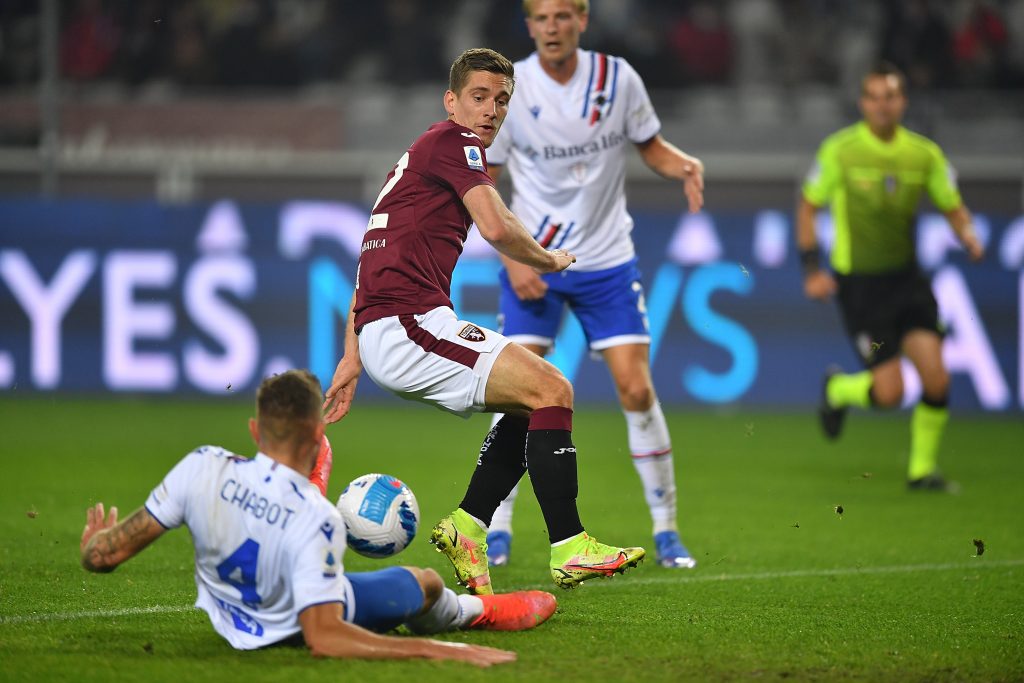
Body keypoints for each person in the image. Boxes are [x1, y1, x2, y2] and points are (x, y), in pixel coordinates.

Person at [323, 48, 645, 594]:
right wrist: (547, 260)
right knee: (552, 388)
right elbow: (496, 227)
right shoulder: (455, 142)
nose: (491, 110)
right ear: (451, 101)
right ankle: (570, 545)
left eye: (501, 100)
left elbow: (369, 255)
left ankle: (469, 527)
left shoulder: (423, 157)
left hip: (395, 328)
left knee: (532, 399)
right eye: (479, 97)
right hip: (411, 325)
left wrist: (353, 356)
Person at [79, 370, 556, 665]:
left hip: (232, 618)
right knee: (427, 582)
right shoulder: (318, 519)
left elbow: (105, 555)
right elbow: (324, 637)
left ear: (253, 429)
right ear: (316, 432)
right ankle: (480, 612)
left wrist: (93, 545)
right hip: (290, 624)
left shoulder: (200, 466)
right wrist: (440, 651)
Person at [480, 0, 706, 569]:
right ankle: (499, 528)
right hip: (536, 260)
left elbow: (649, 144)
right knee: (517, 394)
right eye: (540, 18)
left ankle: (667, 529)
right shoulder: (512, 88)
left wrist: (682, 164)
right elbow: (483, 180)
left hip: (606, 262)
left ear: (582, 20)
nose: (551, 28)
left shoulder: (618, 78)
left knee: (636, 389)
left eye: (562, 17)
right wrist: (512, 260)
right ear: (528, 26)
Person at [797, 62, 984, 491]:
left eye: (891, 97)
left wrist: (969, 236)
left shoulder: (923, 154)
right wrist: (811, 268)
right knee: (890, 394)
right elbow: (809, 206)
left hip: (907, 280)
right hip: (862, 287)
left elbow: (951, 204)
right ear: (863, 103)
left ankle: (922, 471)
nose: (883, 106)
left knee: (937, 376)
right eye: (875, 97)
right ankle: (840, 390)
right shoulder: (840, 150)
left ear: (903, 102)